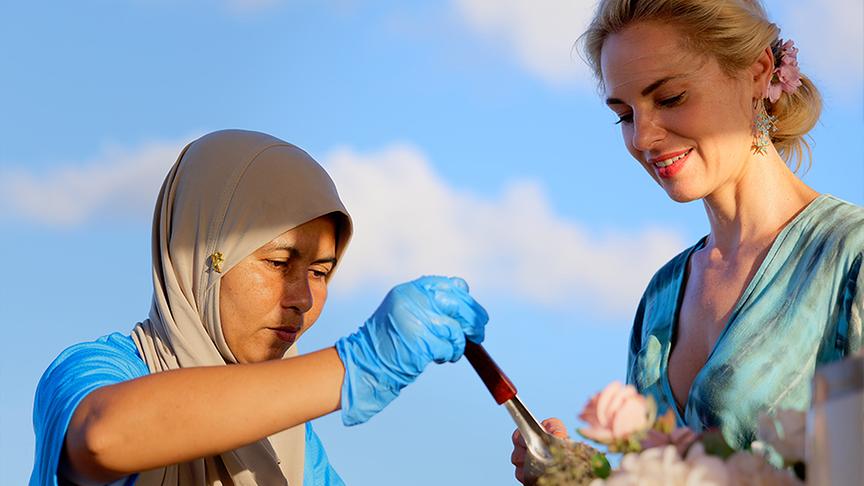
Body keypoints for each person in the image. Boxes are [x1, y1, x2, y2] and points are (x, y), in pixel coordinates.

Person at [511, 0, 864, 482]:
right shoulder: (660, 296)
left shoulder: (852, 258)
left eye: (671, 97)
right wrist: (587, 476)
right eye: (625, 114)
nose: (643, 137)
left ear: (758, 72)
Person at [30, 129, 489, 486]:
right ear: (202, 259)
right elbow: (103, 439)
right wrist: (354, 367)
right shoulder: (96, 370)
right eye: (278, 262)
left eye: (320, 272)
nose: (303, 299)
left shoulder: (289, 446)